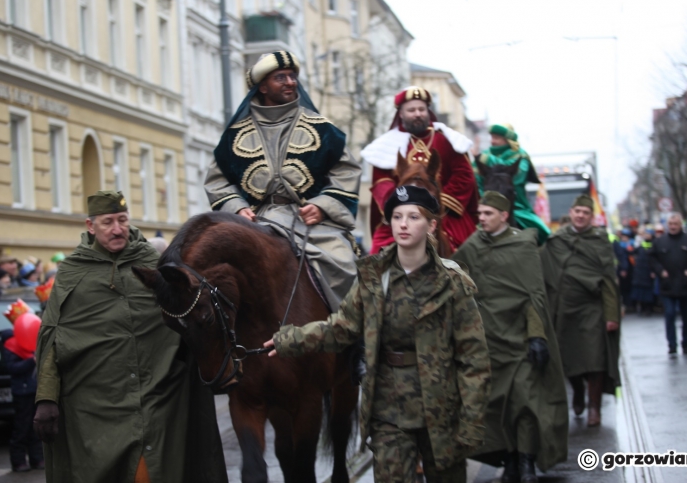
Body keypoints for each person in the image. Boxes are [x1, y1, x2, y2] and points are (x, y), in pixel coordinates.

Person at [263, 186, 491, 482]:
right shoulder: (373, 278)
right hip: (388, 409)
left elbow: (474, 358)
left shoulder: (452, 283)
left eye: (413, 217)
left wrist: (472, 421)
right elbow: (341, 327)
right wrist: (289, 339)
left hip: (442, 408)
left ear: (432, 225)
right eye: (397, 217)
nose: (404, 224)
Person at [34, 190, 227, 483]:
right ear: (90, 226)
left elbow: (188, 317)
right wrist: (46, 399)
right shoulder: (73, 272)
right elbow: (52, 337)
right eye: (108, 222)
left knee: (159, 471)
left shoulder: (154, 263)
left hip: (160, 398)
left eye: (122, 220)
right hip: (96, 406)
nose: (117, 229)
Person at [205, 51, 361, 311]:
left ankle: (353, 342)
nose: (290, 82)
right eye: (281, 77)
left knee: (344, 264)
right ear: (263, 86)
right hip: (256, 222)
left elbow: (346, 171)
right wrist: (235, 209)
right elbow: (217, 180)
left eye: (293, 76)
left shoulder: (322, 128)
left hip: (309, 223)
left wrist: (323, 205)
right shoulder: (234, 136)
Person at [452, 192, 567, 483]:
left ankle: (527, 461)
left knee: (525, 404)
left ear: (504, 215)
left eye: (488, 214)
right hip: (487, 342)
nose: (481, 219)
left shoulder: (524, 245)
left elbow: (534, 297)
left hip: (521, 342)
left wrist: (537, 336)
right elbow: (450, 278)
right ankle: (509, 459)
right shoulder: (472, 246)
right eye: (480, 214)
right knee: (495, 408)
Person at [360, 86, 478, 253]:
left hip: (444, 212)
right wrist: (402, 203)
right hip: (402, 213)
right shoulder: (386, 145)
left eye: (422, 109)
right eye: (412, 110)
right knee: (380, 253)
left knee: (469, 251)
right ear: (400, 113)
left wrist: (438, 202)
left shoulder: (446, 139)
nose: (418, 114)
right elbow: (382, 182)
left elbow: (464, 174)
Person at [540, 195, 620, 427]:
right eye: (578, 211)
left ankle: (594, 408)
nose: (581, 216)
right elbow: (541, 265)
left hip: (592, 308)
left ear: (591, 216)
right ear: (572, 213)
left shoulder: (600, 240)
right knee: (569, 358)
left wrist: (612, 315)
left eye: (586, 212)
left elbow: (608, 279)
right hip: (564, 308)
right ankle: (577, 390)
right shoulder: (557, 239)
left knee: (594, 359)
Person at [474, 124, 550, 244]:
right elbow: (477, 180)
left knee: (544, 233)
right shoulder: (485, 155)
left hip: (516, 206)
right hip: (487, 205)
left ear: (508, 140)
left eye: (496, 138)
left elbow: (516, 178)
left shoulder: (521, 155)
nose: (492, 141)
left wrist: (488, 160)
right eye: (492, 137)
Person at [650, 214, 687, 355]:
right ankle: (672, 345)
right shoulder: (659, 242)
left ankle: (686, 343)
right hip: (667, 285)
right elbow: (652, 258)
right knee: (670, 313)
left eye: (675, 224)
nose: (673, 226)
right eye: (670, 223)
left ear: (680, 225)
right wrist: (660, 271)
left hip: (686, 285)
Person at [3, 320, 43, 472]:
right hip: (22, 392)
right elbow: (13, 368)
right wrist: (30, 362)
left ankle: (37, 458)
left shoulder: (34, 343)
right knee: (21, 427)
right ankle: (18, 460)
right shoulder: (12, 346)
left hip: (33, 390)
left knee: (36, 426)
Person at [630, 230, 656, 315]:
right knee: (640, 291)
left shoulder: (654, 245)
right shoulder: (641, 245)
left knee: (648, 291)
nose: (646, 236)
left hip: (648, 271)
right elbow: (633, 252)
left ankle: (649, 308)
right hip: (640, 272)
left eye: (648, 234)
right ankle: (642, 307)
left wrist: (653, 271)